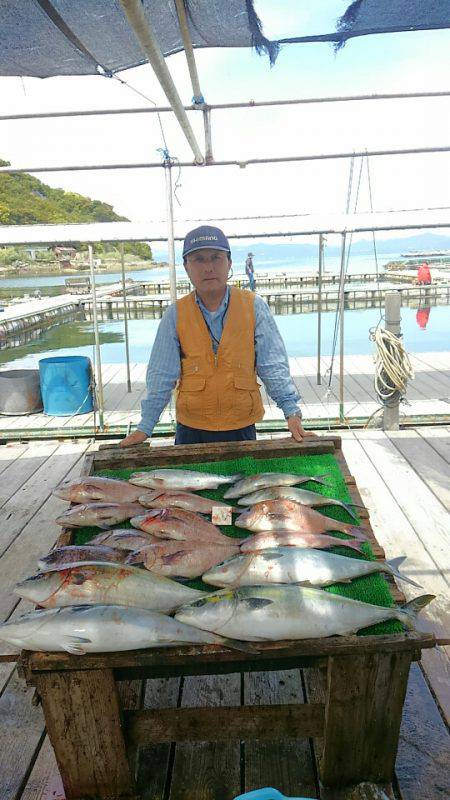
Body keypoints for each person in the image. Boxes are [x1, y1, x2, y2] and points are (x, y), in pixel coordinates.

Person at [120, 225, 312, 448]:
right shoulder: (175, 314)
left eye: (216, 258)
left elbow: (272, 364)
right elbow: (161, 375)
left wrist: (292, 413)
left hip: (241, 425)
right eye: (198, 259)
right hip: (191, 427)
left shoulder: (254, 306)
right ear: (186, 267)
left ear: (229, 263)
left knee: (242, 480)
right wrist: (145, 427)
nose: (208, 267)